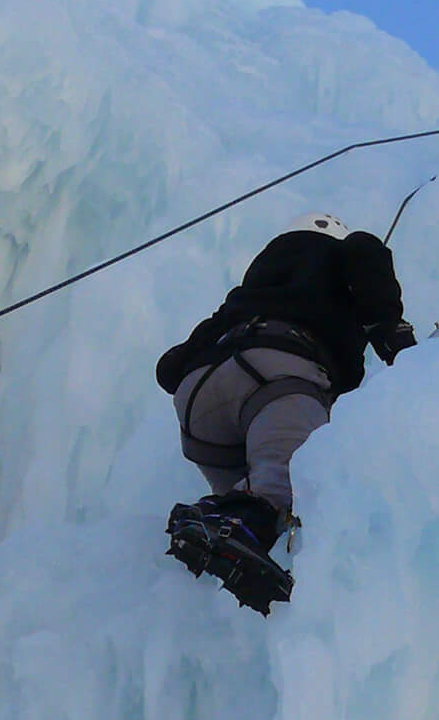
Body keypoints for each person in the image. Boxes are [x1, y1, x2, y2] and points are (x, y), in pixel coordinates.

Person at [155, 210, 416, 610]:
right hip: (278, 377)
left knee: (253, 516)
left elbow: (168, 369)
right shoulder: (342, 253)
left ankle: (222, 523)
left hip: (198, 401)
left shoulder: (247, 293)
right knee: (286, 487)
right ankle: (246, 522)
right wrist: (388, 328)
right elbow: (365, 248)